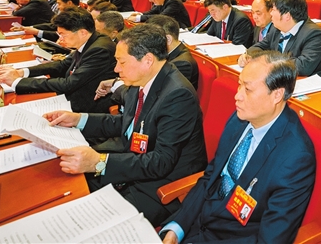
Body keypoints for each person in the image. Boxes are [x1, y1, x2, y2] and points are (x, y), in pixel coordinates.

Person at [45, 24, 208, 227]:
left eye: (121, 62)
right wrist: (79, 119)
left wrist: (99, 163)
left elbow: (161, 162)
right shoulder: (140, 80)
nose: (116, 69)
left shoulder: (177, 95)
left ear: (147, 60)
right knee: (62, 184)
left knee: (88, 223)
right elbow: (126, 123)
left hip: (161, 185)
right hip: (134, 160)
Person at [159, 51, 315, 243]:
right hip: (197, 223)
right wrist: (177, 228)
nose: (237, 96)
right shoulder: (240, 119)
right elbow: (210, 177)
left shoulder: (295, 158)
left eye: (247, 89)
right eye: (239, 84)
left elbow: (270, 239)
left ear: (277, 95)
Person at [0, 7, 117, 113]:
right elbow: (62, 65)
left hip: (86, 105)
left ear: (82, 33)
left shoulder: (100, 49)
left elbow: (69, 84)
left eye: (63, 34)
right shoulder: (90, 40)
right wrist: (21, 72)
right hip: (71, 95)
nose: (60, 39)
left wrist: (18, 82)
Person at [239, 0, 321, 80]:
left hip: (310, 84)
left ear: (287, 16)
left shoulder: (313, 34)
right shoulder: (276, 29)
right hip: (283, 80)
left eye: (273, 10)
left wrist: (267, 61)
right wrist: (248, 56)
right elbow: (259, 46)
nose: (271, 14)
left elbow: (303, 66)